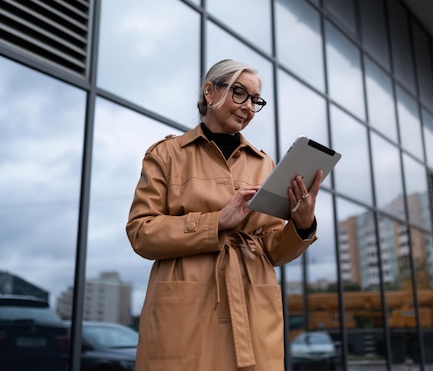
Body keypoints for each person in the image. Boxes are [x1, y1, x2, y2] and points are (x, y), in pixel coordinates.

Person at [126, 59, 322, 371]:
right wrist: (216, 222)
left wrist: (301, 225)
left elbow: (272, 248)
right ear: (209, 91)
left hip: (253, 303)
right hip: (186, 306)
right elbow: (141, 233)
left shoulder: (264, 164)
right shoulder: (166, 155)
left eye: (255, 100)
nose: (248, 107)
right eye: (240, 93)